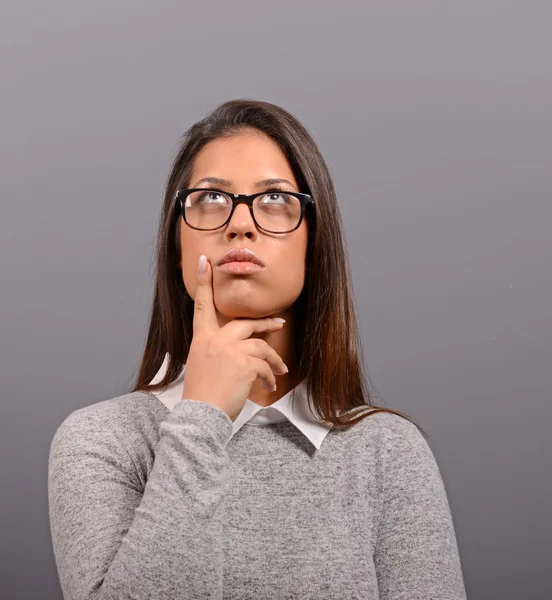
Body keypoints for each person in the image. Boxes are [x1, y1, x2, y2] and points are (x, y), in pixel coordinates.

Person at [48, 99, 468, 599]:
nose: (240, 224)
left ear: (315, 239)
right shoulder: (103, 441)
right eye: (210, 198)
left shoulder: (388, 451)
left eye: (273, 199)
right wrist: (201, 416)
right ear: (175, 240)